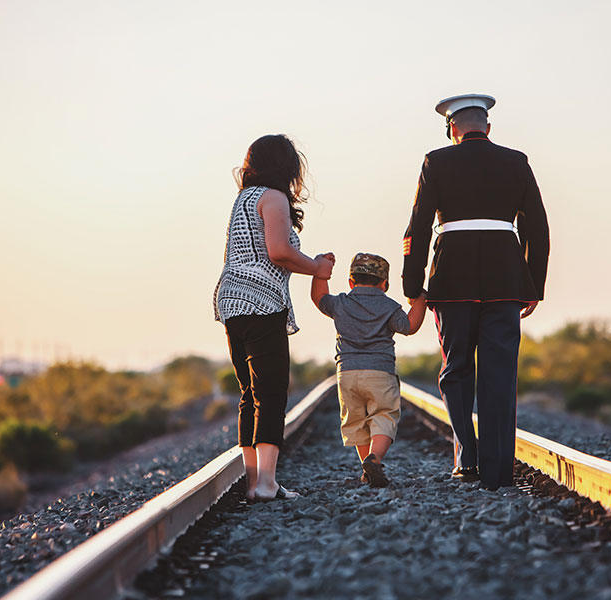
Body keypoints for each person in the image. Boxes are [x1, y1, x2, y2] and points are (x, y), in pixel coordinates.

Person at [402, 94, 550, 491]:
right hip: (505, 280)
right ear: (487, 127)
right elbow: (537, 227)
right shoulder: (516, 161)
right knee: (500, 375)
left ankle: (467, 458)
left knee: (456, 370)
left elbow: (417, 227)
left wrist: (412, 284)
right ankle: (498, 470)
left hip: (453, 280)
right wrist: (533, 284)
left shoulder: (437, 161)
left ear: (452, 128)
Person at [214, 134, 335, 501]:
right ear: (286, 166)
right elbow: (279, 252)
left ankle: (253, 483)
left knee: (249, 395)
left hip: (232, 301)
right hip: (262, 301)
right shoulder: (274, 197)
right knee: (271, 392)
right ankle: (266, 484)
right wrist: (317, 267)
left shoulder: (243, 199)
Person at [311, 253, 428, 487]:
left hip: (347, 374)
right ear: (384, 284)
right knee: (384, 415)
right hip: (380, 373)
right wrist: (421, 300)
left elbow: (319, 297)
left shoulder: (341, 302)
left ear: (351, 282)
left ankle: (366, 465)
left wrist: (320, 272)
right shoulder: (389, 306)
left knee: (356, 421)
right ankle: (374, 460)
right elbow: (410, 326)